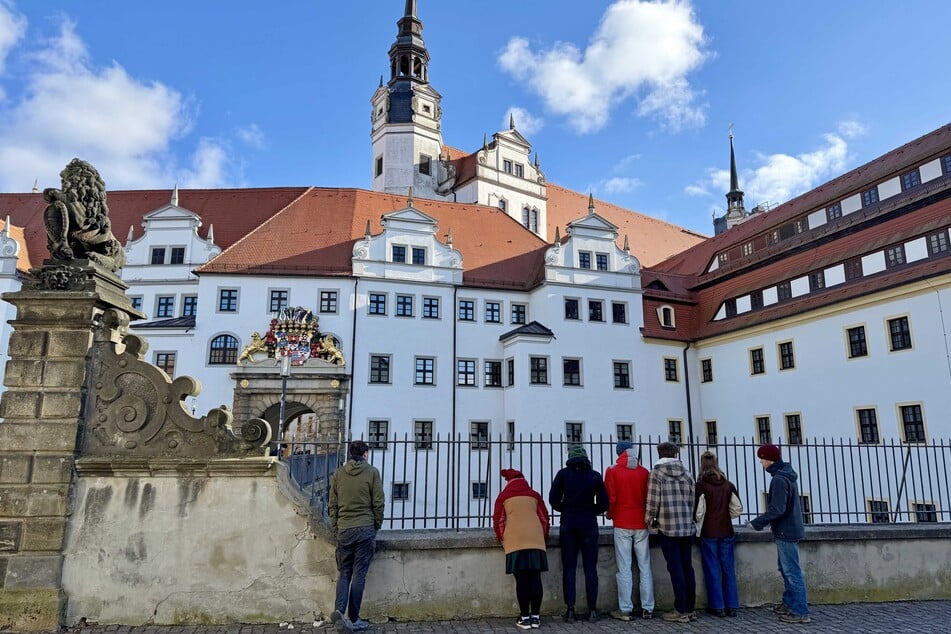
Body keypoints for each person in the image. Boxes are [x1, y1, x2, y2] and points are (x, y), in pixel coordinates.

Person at [749, 444, 810, 624]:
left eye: (762, 458)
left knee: (791, 572)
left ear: (769, 459)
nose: (760, 462)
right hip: (791, 527)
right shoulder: (786, 474)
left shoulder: (778, 479)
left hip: (786, 530)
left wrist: (757, 523)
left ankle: (800, 611)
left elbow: (777, 509)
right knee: (786, 569)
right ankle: (790, 603)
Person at [328, 440, 385, 632]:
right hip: (365, 528)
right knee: (358, 575)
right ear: (366, 454)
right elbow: (378, 503)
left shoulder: (338, 474)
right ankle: (354, 619)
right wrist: (376, 525)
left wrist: (336, 526)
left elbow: (332, 505)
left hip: (344, 529)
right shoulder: (372, 472)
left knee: (344, 573)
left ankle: (339, 611)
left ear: (350, 454)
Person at [549, 445, 608, 623]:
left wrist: (565, 509)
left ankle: (570, 610)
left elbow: (553, 499)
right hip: (589, 525)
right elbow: (604, 503)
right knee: (591, 569)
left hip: (568, 524)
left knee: (569, 568)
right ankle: (592, 610)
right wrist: (592, 511)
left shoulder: (563, 474)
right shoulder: (594, 475)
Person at [644, 441, 696, 624]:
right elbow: (694, 498)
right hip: (686, 527)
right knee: (687, 567)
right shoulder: (688, 473)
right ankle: (690, 608)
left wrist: (650, 520)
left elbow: (652, 501)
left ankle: (680, 610)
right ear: (675, 454)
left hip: (667, 527)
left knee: (675, 569)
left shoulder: (657, 473)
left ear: (660, 453)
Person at [493, 468, 550, 630]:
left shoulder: (503, 497)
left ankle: (524, 617)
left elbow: (499, 521)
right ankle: (536, 617)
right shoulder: (534, 495)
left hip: (515, 542)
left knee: (522, 580)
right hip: (536, 541)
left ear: (509, 482)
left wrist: (503, 539)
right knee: (535, 578)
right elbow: (544, 518)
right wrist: (542, 537)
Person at [605, 441, 655, 621]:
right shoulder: (644, 472)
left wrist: (610, 515)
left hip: (622, 521)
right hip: (641, 523)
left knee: (624, 567)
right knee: (645, 566)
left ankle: (625, 608)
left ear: (619, 453)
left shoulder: (612, 470)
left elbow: (611, 497)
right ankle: (648, 607)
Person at [694, 451, 740, 618]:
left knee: (712, 568)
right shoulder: (728, 484)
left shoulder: (701, 485)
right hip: (726, 529)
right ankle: (732, 606)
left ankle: (717, 606)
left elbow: (698, 511)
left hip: (708, 531)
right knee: (728, 568)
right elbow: (737, 507)